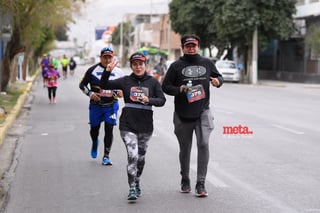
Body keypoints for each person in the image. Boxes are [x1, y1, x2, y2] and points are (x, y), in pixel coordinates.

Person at [162, 34, 224, 198]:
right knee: (185, 148)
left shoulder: (206, 63)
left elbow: (218, 76)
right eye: (188, 46)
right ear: (183, 47)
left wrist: (218, 81)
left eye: (194, 45)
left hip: (203, 111)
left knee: (203, 144)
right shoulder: (176, 66)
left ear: (198, 46)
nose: (191, 48)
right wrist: (179, 90)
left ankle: (201, 183)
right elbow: (166, 86)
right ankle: (185, 179)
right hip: (183, 114)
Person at [100, 52, 166, 201]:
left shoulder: (153, 82)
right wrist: (107, 70)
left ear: (145, 65)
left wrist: (149, 100)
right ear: (131, 66)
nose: (138, 67)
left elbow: (162, 100)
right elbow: (104, 85)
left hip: (146, 126)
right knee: (133, 156)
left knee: (141, 159)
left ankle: (137, 181)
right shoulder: (125, 81)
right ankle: (132, 188)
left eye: (140, 64)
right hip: (127, 125)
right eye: (135, 64)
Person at [79, 47, 124, 166]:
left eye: (110, 57)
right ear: (101, 58)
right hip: (96, 105)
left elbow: (124, 88)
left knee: (109, 128)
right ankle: (95, 142)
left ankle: (106, 156)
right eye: (105, 57)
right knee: (94, 129)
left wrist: (121, 93)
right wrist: (90, 94)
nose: (108, 60)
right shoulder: (92, 70)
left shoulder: (119, 72)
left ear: (113, 57)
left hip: (111, 105)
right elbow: (81, 85)